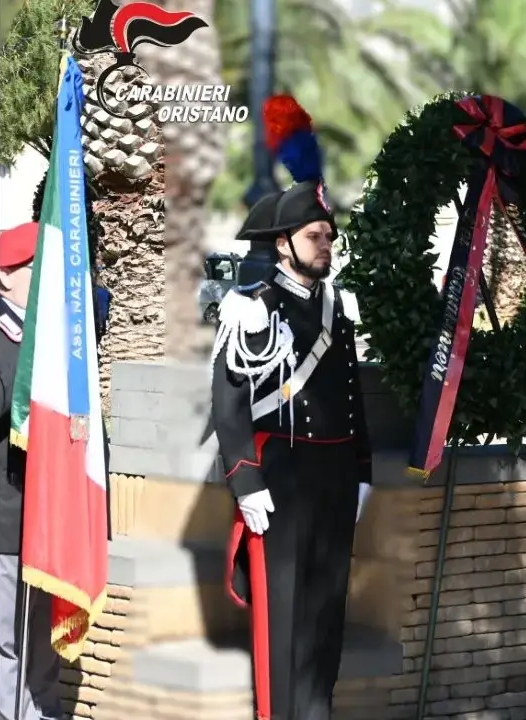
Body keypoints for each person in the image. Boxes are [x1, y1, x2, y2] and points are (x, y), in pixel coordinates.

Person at [212, 179, 373, 720]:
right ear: (284, 243)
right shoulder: (252, 308)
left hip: (334, 476)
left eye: (329, 234)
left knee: (326, 616)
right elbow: (229, 404)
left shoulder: (336, 307)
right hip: (279, 479)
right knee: (281, 617)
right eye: (315, 235)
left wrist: (363, 470)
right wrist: (245, 480)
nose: (326, 244)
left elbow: (352, 393)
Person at [0, 223, 63, 720]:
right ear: (6, 277)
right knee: (7, 639)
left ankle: (43, 712)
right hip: (7, 516)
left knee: (44, 636)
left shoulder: (60, 335)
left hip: (53, 515)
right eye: (36, 269)